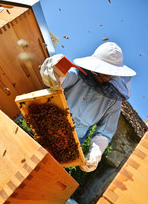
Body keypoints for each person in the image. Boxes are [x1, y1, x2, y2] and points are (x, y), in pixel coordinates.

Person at [40, 42, 136, 172]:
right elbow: (59, 81)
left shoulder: (114, 102)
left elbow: (104, 132)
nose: (103, 75)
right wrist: (56, 70)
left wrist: (95, 155)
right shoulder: (77, 74)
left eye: (108, 73)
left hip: (66, 147)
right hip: (41, 128)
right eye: (101, 70)